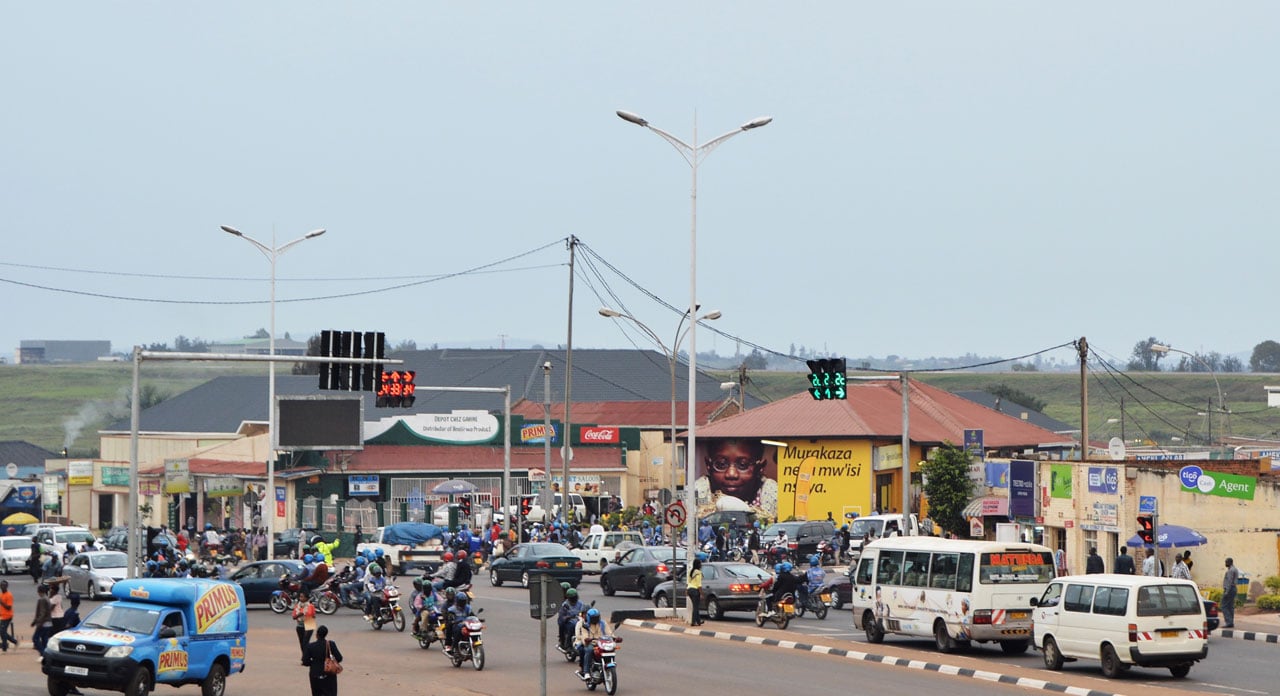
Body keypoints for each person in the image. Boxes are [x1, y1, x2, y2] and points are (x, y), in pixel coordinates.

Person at [694, 438, 779, 520]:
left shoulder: (773, 494)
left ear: (760, 467)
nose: (731, 474)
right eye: (721, 464)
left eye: (742, 465)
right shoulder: (697, 493)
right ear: (708, 465)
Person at [301, 624, 342, 696]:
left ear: (317, 635)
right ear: (326, 634)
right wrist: (331, 660)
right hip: (329, 674)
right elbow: (339, 658)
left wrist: (313, 663)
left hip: (315, 674)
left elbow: (305, 661)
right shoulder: (330, 644)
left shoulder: (311, 646)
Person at [573, 607, 611, 681]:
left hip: (601, 643)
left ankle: (608, 667)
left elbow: (609, 633)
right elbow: (583, 636)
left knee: (610, 648)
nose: (595, 619)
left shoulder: (603, 623)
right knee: (589, 649)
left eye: (597, 617)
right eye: (594, 618)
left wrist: (614, 638)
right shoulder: (584, 625)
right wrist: (586, 639)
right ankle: (586, 672)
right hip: (590, 643)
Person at [293, 592, 317, 663]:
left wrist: (300, 614)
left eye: (302, 597)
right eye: (300, 597)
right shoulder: (298, 605)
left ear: (306, 598)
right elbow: (294, 616)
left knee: (305, 642)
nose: (301, 598)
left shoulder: (310, 605)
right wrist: (301, 613)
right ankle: (305, 657)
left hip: (309, 623)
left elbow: (309, 614)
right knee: (302, 643)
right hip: (299, 625)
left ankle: (305, 658)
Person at [31, 583, 53, 655]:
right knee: (44, 639)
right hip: (48, 623)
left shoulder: (42, 600)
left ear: (39, 592)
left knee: (35, 638)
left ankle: (43, 653)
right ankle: (46, 653)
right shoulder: (47, 598)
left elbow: (42, 613)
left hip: (43, 623)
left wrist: (38, 622)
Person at [1222, 557, 1239, 629]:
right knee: (1230, 606)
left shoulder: (1230, 571)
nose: (1225, 563)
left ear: (1230, 562)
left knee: (1224, 606)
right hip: (1233, 589)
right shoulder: (1235, 569)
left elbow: (1229, 581)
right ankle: (1230, 622)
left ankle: (1228, 622)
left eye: (1226, 562)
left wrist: (1226, 591)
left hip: (1230, 589)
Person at [687, 559, 704, 626]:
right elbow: (699, 584)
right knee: (696, 607)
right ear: (698, 565)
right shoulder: (698, 573)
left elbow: (688, 582)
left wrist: (686, 590)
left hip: (689, 589)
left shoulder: (691, 572)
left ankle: (698, 621)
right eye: (700, 563)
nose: (701, 565)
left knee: (695, 606)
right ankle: (693, 622)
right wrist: (702, 594)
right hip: (695, 590)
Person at [0, 580, 16, 653]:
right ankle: (14, 641)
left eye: (4, 585)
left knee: (2, 631)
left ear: (7, 586)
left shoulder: (9, 595)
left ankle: (4, 647)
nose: (2, 587)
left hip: (8, 616)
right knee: (2, 631)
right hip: (2, 615)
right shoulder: (1, 595)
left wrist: (1, 601)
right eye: (1, 585)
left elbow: (8, 607)